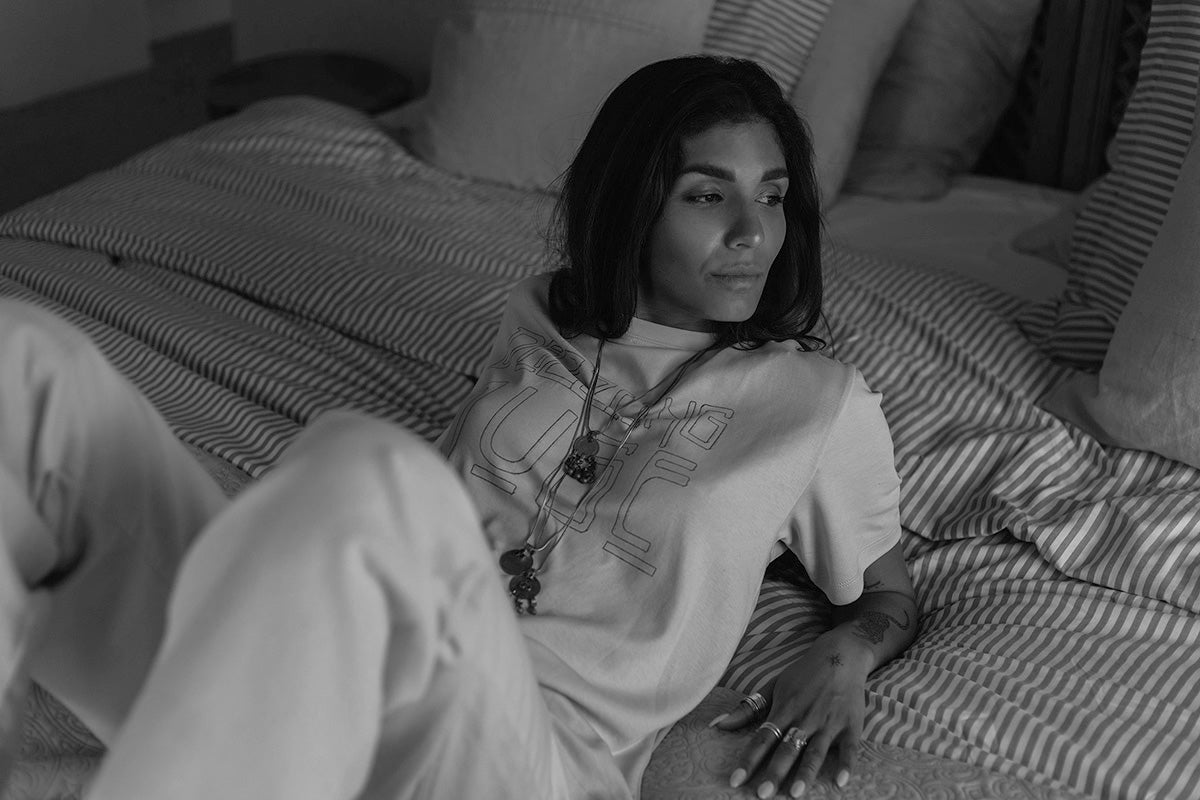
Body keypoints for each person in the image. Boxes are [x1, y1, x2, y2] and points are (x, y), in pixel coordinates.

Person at [0, 55, 917, 800]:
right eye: (709, 196)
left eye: (774, 195)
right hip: (343, 663)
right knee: (25, 363)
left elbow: (887, 595)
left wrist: (848, 652)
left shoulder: (817, 403)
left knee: (361, 463)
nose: (754, 232)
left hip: (535, 754)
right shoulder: (540, 317)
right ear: (633, 206)